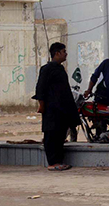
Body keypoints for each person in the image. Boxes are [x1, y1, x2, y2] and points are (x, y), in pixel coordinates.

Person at [33, 42, 79, 171]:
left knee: (60, 135)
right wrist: (41, 105)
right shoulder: (47, 69)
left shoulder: (60, 69)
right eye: (64, 52)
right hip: (52, 108)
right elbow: (40, 88)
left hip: (62, 108)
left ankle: (59, 161)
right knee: (51, 134)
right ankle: (52, 162)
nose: (66, 54)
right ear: (57, 53)